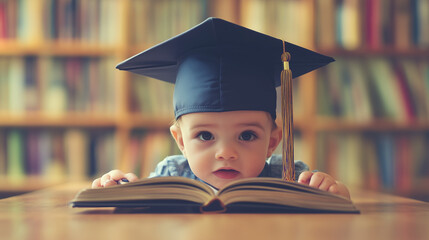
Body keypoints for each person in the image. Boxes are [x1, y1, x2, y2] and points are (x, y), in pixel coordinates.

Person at [92, 18, 350, 199]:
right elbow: (139, 210)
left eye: (247, 135)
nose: (226, 153)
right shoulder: (171, 176)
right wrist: (119, 189)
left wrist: (333, 192)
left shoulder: (289, 177)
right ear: (180, 140)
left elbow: (328, 203)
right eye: (205, 136)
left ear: (273, 141)